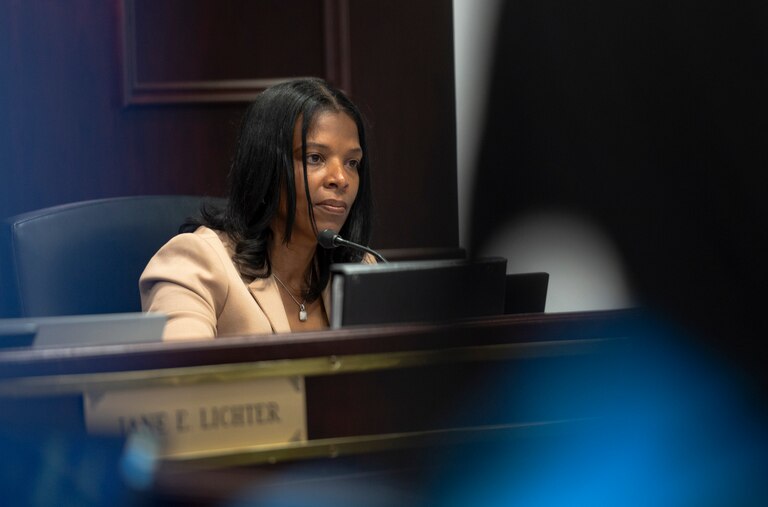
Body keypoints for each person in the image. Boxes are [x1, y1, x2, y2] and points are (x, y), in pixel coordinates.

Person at [140, 78, 374, 340]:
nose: (341, 179)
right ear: (267, 167)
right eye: (315, 158)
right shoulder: (198, 263)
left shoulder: (359, 271)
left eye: (352, 163)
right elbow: (182, 376)